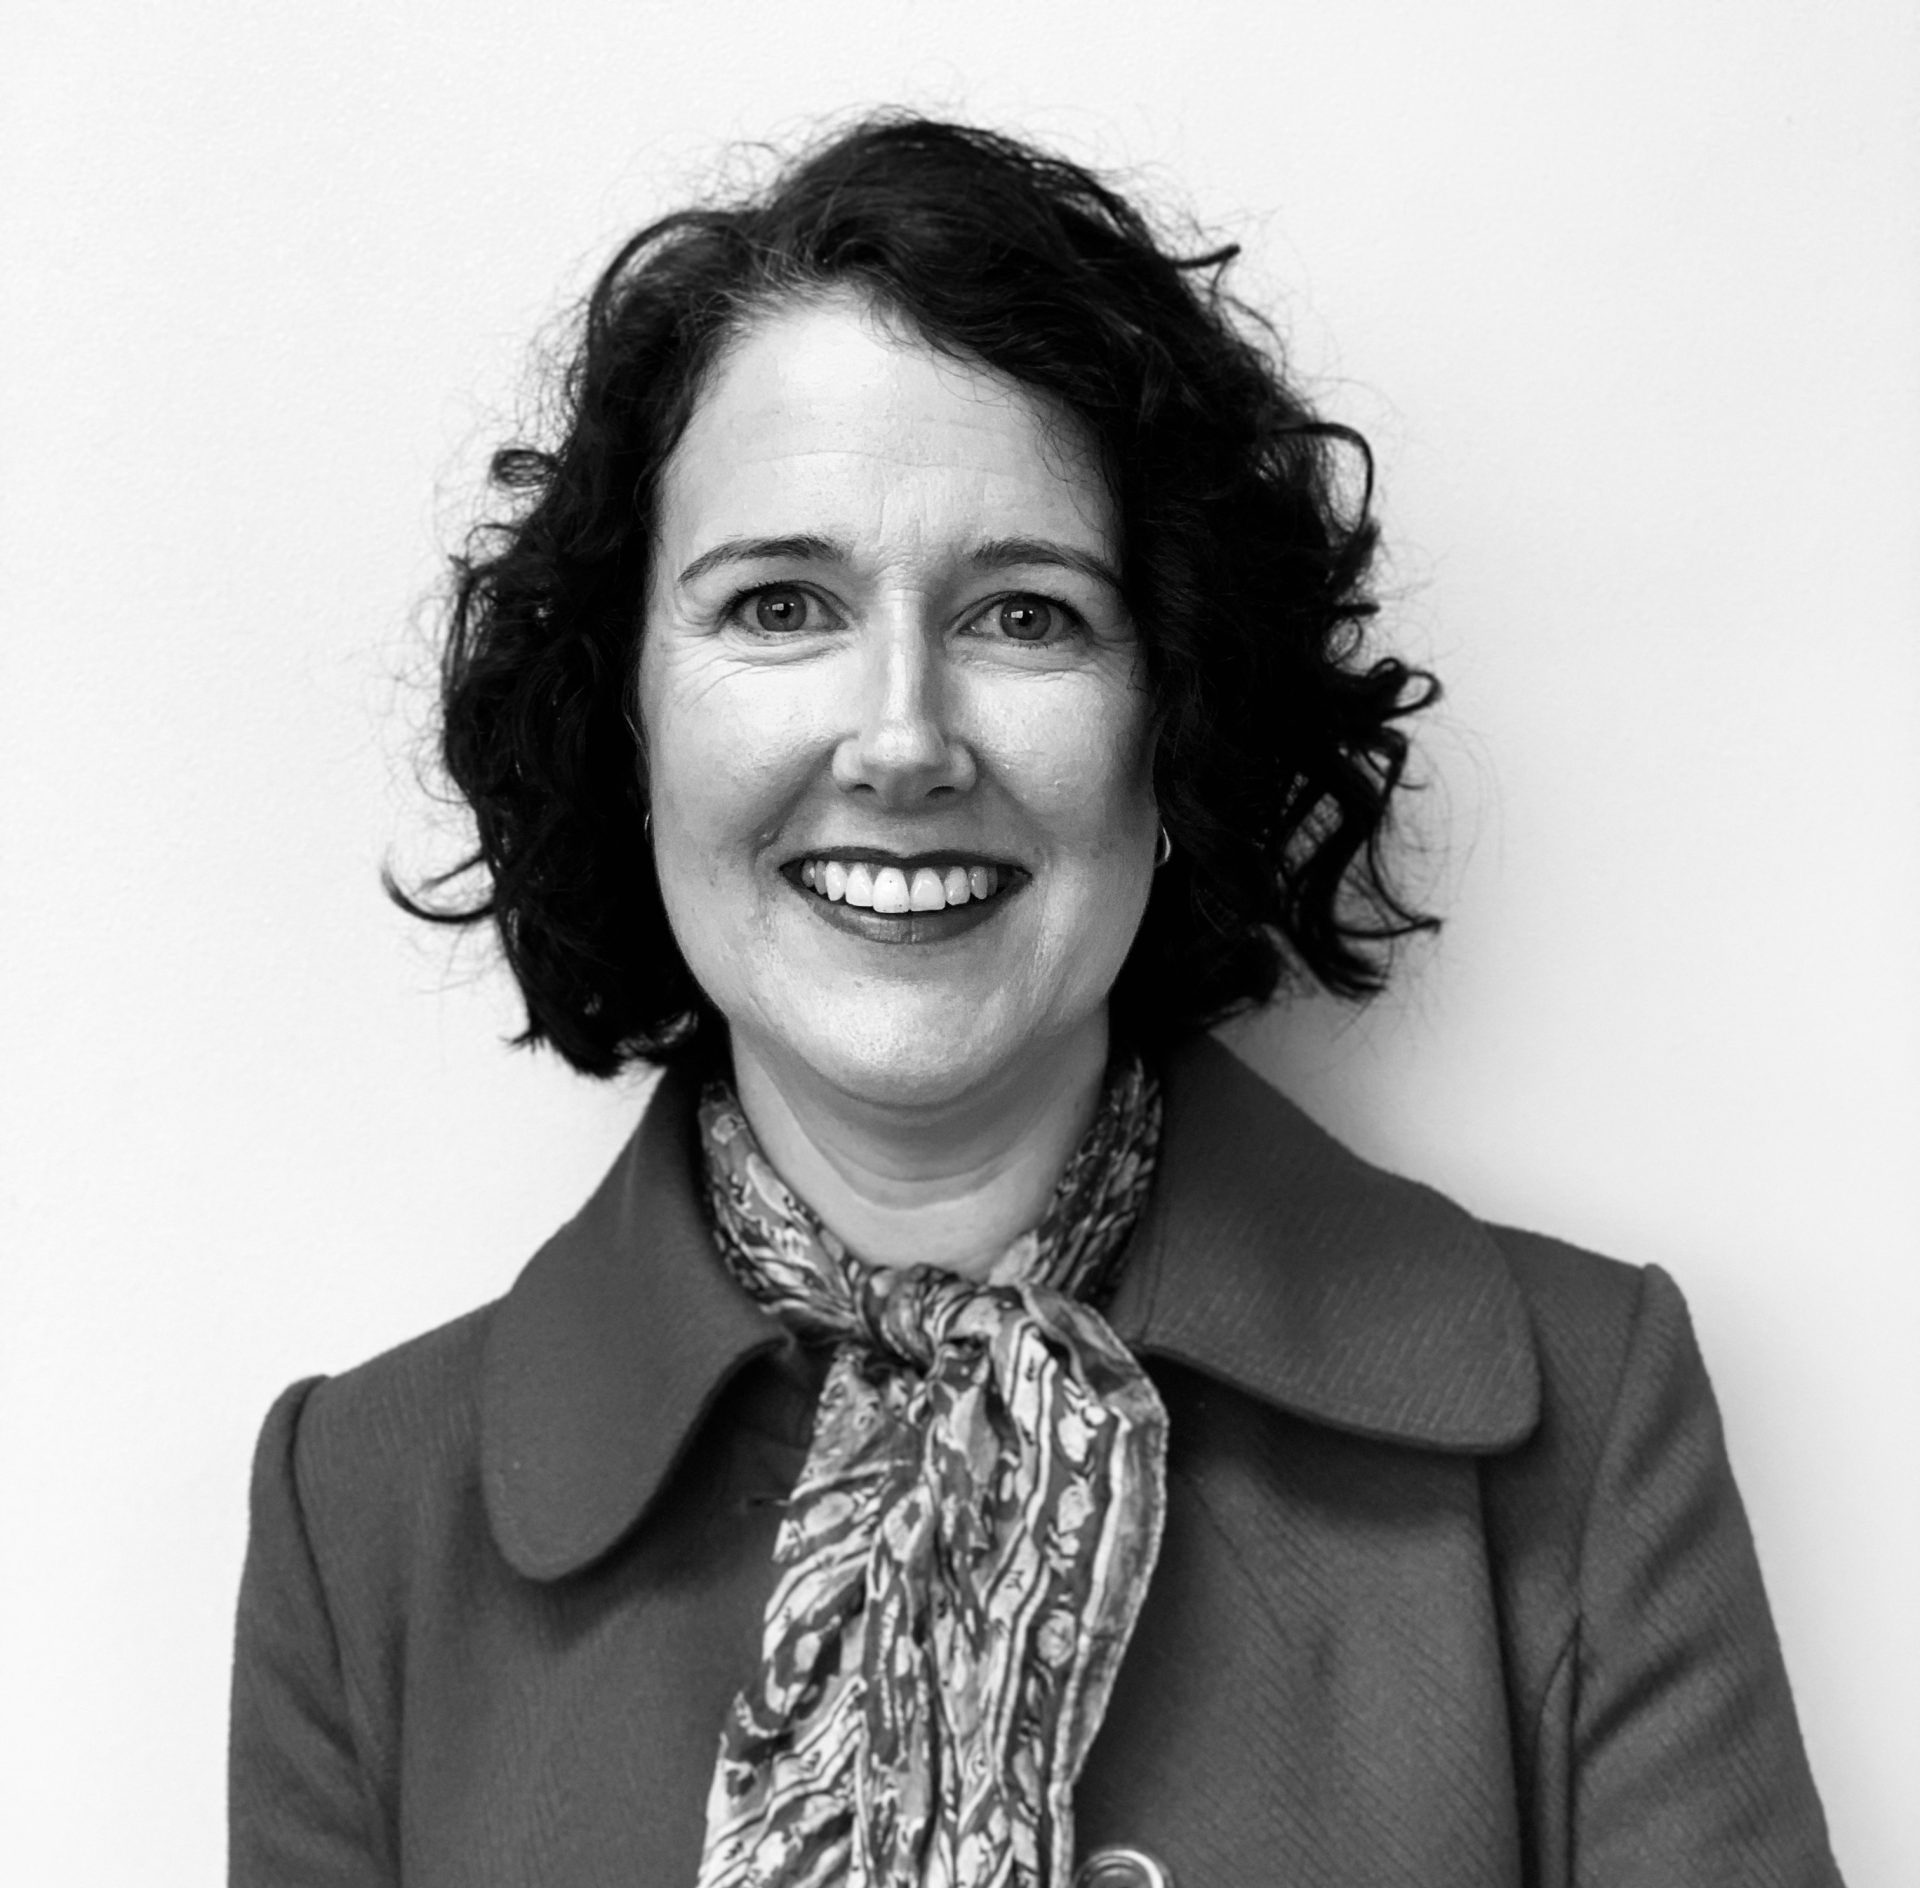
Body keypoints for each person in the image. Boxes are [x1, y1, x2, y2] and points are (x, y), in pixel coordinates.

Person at [228, 115, 1842, 1888]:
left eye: (1025, 615)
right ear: (629, 726)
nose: (904, 737)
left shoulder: (1580, 1426)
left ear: (1177, 715)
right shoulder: (364, 1516)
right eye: (779, 604)